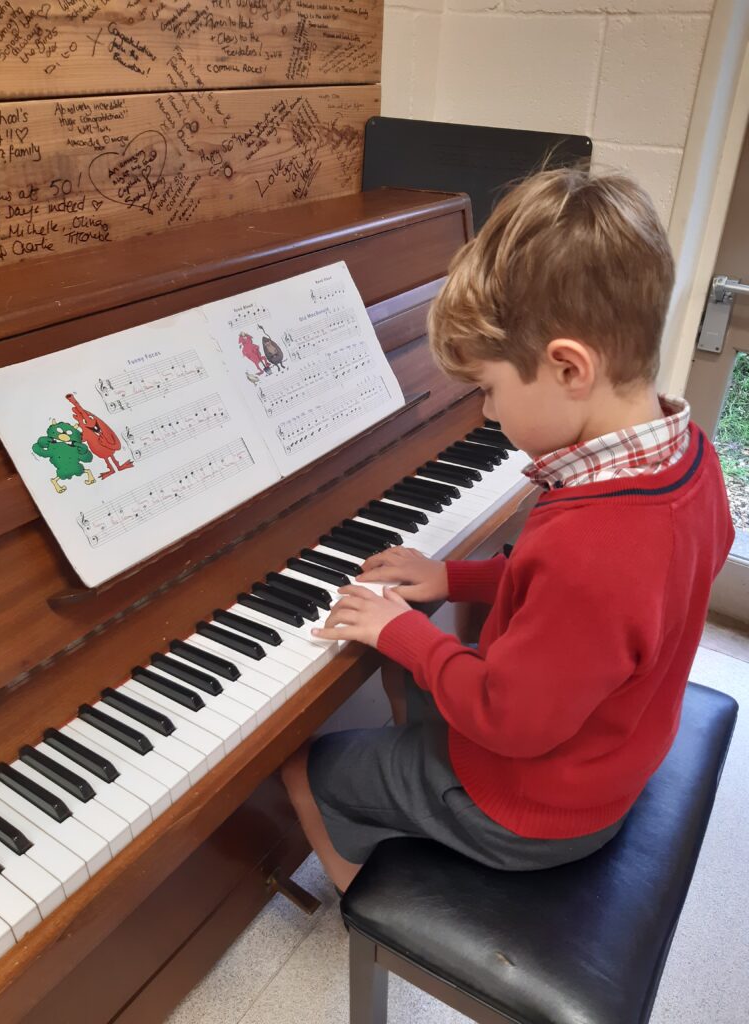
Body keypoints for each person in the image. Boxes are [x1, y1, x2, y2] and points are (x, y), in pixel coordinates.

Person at [280, 168, 735, 894]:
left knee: (308, 766)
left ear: (568, 368)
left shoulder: (596, 548)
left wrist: (401, 631)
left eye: (489, 391)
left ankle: (368, 896)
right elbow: (568, 595)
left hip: (534, 809)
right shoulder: (691, 461)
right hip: (609, 748)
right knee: (419, 647)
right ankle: (416, 778)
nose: (488, 415)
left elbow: (508, 716)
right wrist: (451, 579)